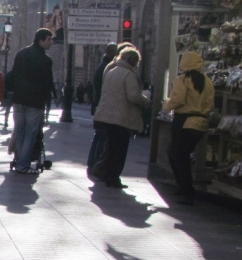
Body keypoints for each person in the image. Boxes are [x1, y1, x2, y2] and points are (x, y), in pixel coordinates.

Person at [92, 47, 150, 188]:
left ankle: (106, 175)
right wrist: (146, 100)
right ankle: (113, 178)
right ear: (133, 61)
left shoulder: (111, 71)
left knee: (111, 148)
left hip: (109, 115)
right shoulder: (128, 74)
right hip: (121, 117)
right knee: (120, 150)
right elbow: (133, 96)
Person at [163, 51, 214, 205]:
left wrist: (166, 106)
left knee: (177, 155)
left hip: (184, 121)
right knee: (182, 155)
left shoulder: (183, 80)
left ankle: (186, 189)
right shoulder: (207, 81)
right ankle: (183, 186)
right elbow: (210, 104)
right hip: (200, 122)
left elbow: (177, 99)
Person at [8, 28, 55, 174]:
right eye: (49, 39)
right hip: (35, 101)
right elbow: (47, 82)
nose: (51, 42)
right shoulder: (46, 60)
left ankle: (19, 160)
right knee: (30, 133)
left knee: (20, 130)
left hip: (19, 99)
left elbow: (13, 74)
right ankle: (23, 163)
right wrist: (48, 99)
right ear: (40, 40)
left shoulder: (21, 54)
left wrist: (11, 91)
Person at [88, 42, 118, 172]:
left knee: (99, 136)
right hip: (103, 105)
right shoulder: (107, 68)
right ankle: (96, 164)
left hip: (99, 104)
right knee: (102, 136)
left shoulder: (103, 66)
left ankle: (92, 163)